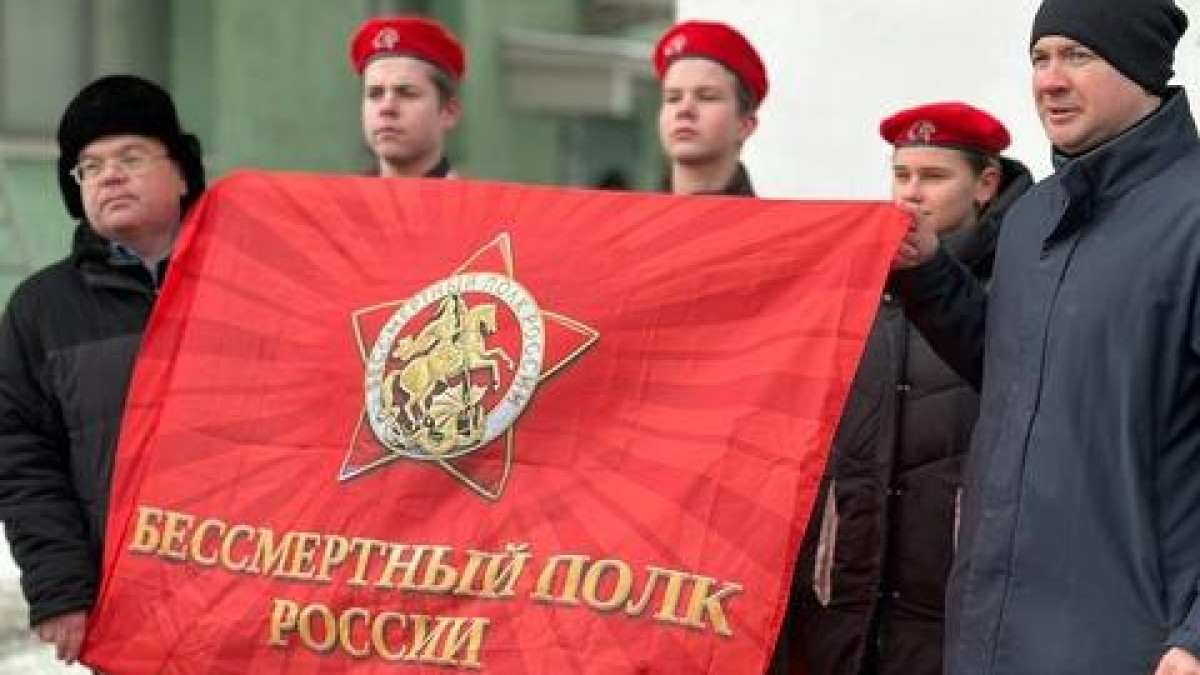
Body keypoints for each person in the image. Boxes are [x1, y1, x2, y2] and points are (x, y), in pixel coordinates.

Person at [890, 0, 1200, 672]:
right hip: (993, 634)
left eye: (1077, 56)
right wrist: (929, 275)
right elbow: (1012, 371)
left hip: (1139, 643)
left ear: (1142, 66)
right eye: (1040, 57)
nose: (1050, 80)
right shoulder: (1031, 218)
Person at [781, 103, 1031, 675]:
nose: (911, 193)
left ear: (986, 184)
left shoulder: (1018, 288)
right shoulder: (857, 285)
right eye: (902, 175)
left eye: (934, 176)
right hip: (843, 611)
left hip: (954, 619)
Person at [0, 74, 205, 665]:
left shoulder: (246, 280)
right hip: (126, 604)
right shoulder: (41, 311)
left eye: (130, 157)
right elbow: (22, 461)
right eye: (89, 167)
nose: (109, 176)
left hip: (258, 588)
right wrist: (61, 588)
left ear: (182, 173)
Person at [653, 20, 765, 196]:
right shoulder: (624, 213)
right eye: (673, 98)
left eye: (707, 97)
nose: (684, 110)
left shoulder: (778, 216)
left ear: (745, 125)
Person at [349, 16, 465, 179]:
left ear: (449, 112)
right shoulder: (338, 195)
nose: (386, 108)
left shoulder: (474, 196)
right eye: (375, 94)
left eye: (407, 93)